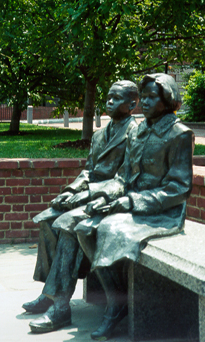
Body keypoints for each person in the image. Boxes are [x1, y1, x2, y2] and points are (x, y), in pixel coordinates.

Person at [75, 73, 194, 340]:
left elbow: (179, 189)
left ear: (168, 99)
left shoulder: (180, 134)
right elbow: (123, 176)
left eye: (154, 97)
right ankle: (117, 298)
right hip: (130, 202)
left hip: (163, 212)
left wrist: (130, 201)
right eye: (146, 97)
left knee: (109, 231)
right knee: (84, 227)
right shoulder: (139, 130)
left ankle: (116, 307)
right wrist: (106, 198)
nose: (146, 102)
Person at [22, 80, 139, 333]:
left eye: (116, 98)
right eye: (108, 97)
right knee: (47, 219)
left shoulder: (135, 133)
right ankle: (49, 293)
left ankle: (61, 306)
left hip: (111, 200)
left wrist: (87, 194)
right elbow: (88, 171)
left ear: (132, 104)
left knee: (66, 224)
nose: (109, 102)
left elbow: (124, 178)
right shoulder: (98, 135)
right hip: (90, 194)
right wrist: (71, 191)